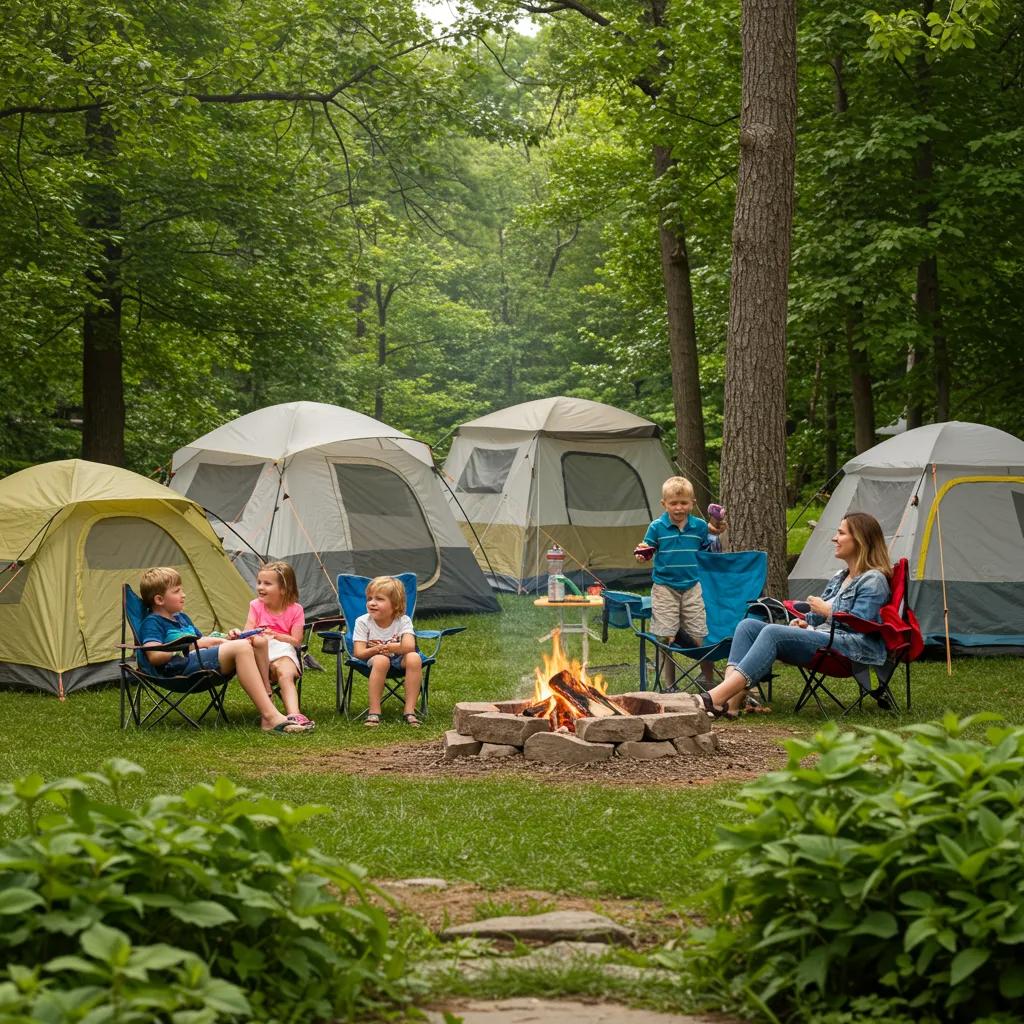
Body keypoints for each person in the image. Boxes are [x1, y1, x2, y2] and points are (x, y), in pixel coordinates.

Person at [696, 511, 892, 718]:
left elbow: (863, 624)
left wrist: (827, 611)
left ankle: (715, 698)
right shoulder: (840, 577)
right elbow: (817, 620)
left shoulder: (874, 580)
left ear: (860, 539)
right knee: (748, 627)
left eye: (841, 533)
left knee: (772, 632)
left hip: (849, 649)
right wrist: (805, 623)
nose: (835, 538)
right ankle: (730, 704)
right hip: (825, 640)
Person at [138, 566, 312, 734]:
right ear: (159, 600)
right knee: (242, 647)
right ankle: (270, 716)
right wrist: (184, 647)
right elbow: (154, 656)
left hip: (195, 661)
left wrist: (225, 638)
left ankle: (270, 705)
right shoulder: (153, 623)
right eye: (176, 591)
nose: (183, 595)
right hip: (177, 670)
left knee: (253, 642)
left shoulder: (182, 618)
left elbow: (199, 642)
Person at [636, 477, 727, 689]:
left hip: (692, 586)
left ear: (692, 503)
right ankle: (670, 684)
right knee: (665, 635)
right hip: (664, 587)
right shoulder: (657, 527)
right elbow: (645, 549)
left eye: (684, 503)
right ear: (664, 504)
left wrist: (717, 528)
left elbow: (709, 544)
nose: (679, 508)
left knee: (699, 634)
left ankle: (707, 678)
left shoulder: (698, 527)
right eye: (673, 503)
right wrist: (642, 555)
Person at [230, 560, 314, 731]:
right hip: (259, 652)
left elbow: (296, 641)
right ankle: (270, 708)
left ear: (284, 589)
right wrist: (247, 634)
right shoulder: (255, 605)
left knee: (285, 672)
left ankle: (294, 714)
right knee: (260, 643)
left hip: (283, 647)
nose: (261, 587)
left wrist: (276, 635)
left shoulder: (295, 609)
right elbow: (248, 632)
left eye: (267, 583)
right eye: (259, 582)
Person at [352, 575, 423, 727]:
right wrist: (377, 649)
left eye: (379, 599)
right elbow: (359, 652)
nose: (372, 603)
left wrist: (391, 647)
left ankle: (410, 711)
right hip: (374, 658)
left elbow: (409, 646)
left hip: (399, 658)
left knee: (414, 658)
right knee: (381, 660)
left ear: (395, 604)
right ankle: (374, 712)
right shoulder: (363, 622)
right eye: (369, 598)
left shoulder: (403, 620)